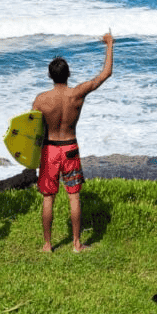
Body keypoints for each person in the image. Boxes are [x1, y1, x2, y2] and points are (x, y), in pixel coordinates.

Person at [32, 32, 114, 253]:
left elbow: (32, 132)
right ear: (68, 74)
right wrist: (110, 44)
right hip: (69, 148)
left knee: (48, 198)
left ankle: (48, 245)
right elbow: (106, 73)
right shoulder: (77, 94)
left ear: (50, 75)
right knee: (74, 196)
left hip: (49, 150)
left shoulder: (41, 100)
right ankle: (77, 243)